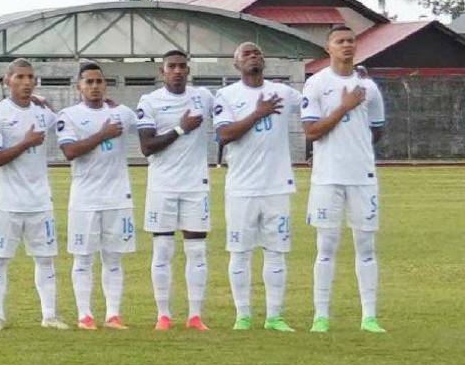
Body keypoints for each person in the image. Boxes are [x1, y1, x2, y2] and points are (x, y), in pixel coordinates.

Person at [301, 25, 387, 333]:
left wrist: (356, 148)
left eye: (351, 40)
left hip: (362, 177)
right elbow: (311, 131)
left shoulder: (370, 89)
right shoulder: (316, 84)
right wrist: (344, 107)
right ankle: (321, 316)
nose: (347, 45)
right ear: (329, 48)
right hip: (327, 177)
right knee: (326, 245)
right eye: (340, 41)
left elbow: (377, 129)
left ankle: (369, 316)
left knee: (366, 245)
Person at [214, 42, 298, 332]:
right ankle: (243, 315)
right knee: (240, 252)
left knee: (276, 252)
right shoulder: (226, 96)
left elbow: (313, 104)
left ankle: (275, 316)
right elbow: (224, 134)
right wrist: (258, 113)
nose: (253, 56)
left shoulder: (284, 93)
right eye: (246, 54)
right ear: (235, 64)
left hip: (277, 186)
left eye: (258, 52)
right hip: (241, 188)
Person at [0, 59, 65, 330]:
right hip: (7, 201)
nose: (27, 82)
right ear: (8, 81)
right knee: (0, 258)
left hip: (40, 199)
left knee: (45, 259)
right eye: (20, 77)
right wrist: (26, 142)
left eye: (30, 77)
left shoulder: (41, 113)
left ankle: (49, 316)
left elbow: (61, 120)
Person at [57, 62, 138, 330]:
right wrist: (102, 134)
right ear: (78, 86)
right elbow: (70, 152)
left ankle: (113, 314)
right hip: (85, 198)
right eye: (88, 82)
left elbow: (148, 130)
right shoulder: (68, 116)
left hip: (117, 196)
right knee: (83, 257)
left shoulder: (123, 114)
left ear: (106, 85)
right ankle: (84, 315)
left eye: (99, 82)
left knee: (113, 257)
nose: (94, 87)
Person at [137, 50, 214, 331]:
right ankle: (164, 315)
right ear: (162, 71)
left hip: (196, 186)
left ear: (188, 70)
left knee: (197, 252)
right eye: (172, 67)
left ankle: (195, 316)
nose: (178, 71)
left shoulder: (203, 97)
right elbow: (147, 147)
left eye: (182, 66)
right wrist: (181, 129)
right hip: (162, 186)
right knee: (163, 250)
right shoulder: (149, 102)